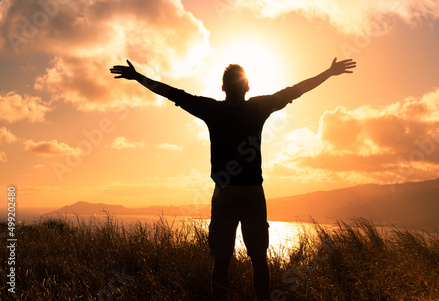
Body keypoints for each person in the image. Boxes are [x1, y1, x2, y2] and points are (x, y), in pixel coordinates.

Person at [110, 57, 356, 300]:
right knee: (258, 258)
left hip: (225, 193)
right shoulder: (257, 108)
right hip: (252, 193)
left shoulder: (213, 110)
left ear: (223, 88)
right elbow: (296, 90)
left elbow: (174, 93)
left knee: (222, 260)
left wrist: (138, 77)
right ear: (247, 87)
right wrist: (328, 72)